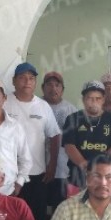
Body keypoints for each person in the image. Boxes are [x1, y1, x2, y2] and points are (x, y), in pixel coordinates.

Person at [4, 62, 61, 220]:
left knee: (37, 217)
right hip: (9, 172)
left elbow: (55, 135)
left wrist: (52, 166)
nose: (27, 82)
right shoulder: (5, 103)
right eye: (22, 78)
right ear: (14, 81)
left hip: (37, 173)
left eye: (31, 78)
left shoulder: (43, 106)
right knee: (11, 217)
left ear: (36, 83)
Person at [62, 80, 111, 190]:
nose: (94, 102)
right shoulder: (72, 119)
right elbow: (69, 146)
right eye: (89, 98)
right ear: (83, 100)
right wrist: (85, 165)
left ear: (103, 100)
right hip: (78, 177)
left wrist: (100, 165)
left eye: (98, 98)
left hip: (105, 179)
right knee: (75, 207)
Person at [42, 71, 77, 210]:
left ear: (62, 89)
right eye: (49, 85)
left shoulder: (71, 110)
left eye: (57, 85)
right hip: (39, 166)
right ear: (42, 87)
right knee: (40, 206)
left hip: (63, 169)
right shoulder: (36, 105)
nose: (53, 88)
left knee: (60, 207)